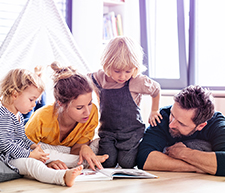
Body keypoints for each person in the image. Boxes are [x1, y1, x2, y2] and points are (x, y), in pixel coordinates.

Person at [0, 68, 83, 186]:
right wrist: (30, 155)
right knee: (32, 164)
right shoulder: (4, 116)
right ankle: (62, 177)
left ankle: (83, 161)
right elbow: (5, 144)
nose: (34, 104)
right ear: (15, 94)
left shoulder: (17, 114)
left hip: (20, 152)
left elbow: (22, 138)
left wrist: (34, 146)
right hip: (8, 159)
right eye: (31, 100)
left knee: (47, 150)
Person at [89, 36, 162, 168]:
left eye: (128, 71)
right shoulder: (100, 78)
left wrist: (154, 110)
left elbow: (156, 89)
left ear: (135, 68)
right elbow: (83, 81)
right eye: (117, 71)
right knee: (108, 162)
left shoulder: (136, 80)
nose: (122, 76)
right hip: (107, 131)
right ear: (107, 65)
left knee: (127, 163)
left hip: (131, 133)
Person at [25, 62, 108, 171]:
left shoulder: (92, 112)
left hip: (63, 150)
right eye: (79, 108)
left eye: (89, 103)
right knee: (43, 148)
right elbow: (24, 150)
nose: (87, 112)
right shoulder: (41, 117)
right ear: (61, 103)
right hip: (33, 136)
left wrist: (84, 147)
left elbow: (74, 152)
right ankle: (38, 78)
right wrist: (46, 164)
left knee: (98, 144)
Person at [137, 85, 225, 176]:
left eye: (181, 123)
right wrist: (201, 167)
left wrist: (183, 153)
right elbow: (144, 158)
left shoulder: (216, 123)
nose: (171, 124)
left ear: (201, 126)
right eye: (172, 115)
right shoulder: (162, 117)